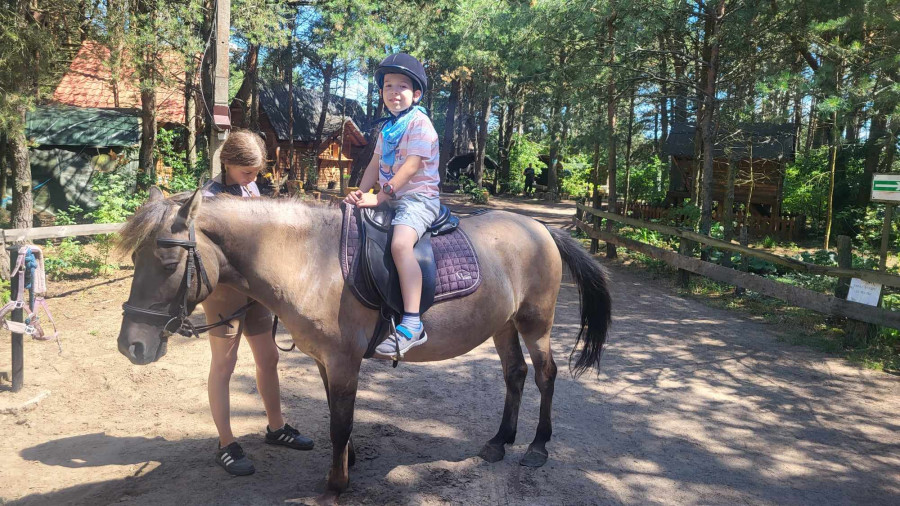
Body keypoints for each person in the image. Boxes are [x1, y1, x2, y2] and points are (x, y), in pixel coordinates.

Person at [201, 129, 313, 476]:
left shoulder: (250, 190)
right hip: (224, 293)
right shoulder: (208, 199)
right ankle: (226, 444)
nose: (252, 179)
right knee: (224, 365)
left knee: (269, 357)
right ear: (227, 163)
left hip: (255, 290)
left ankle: (276, 428)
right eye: (246, 172)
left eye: (255, 173)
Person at [344, 53, 440, 357]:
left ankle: (412, 322)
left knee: (400, 245)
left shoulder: (420, 123)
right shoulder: (388, 129)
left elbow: (411, 166)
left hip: (418, 199)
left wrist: (380, 196)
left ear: (416, 94)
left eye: (402, 86)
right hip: (392, 198)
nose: (394, 92)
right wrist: (359, 194)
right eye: (388, 86)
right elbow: (374, 164)